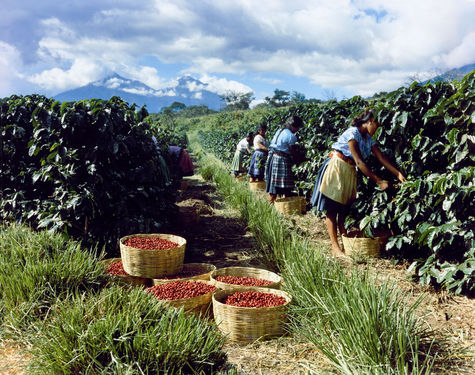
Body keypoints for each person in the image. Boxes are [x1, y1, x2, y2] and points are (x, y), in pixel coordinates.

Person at [310, 109, 407, 257]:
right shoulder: (353, 133)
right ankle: (335, 247)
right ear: (368, 121)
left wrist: (398, 173)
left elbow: (381, 157)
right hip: (337, 166)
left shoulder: (368, 138)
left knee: (343, 207)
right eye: (376, 124)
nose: (377, 129)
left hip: (348, 169)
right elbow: (359, 161)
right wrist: (379, 181)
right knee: (332, 208)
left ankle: (345, 240)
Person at [265, 115, 304, 203]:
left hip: (273, 157)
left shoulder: (280, 131)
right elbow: (292, 150)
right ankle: (281, 203)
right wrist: (299, 159)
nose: (297, 130)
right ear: (293, 126)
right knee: (283, 184)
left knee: (274, 184)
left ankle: (273, 203)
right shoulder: (291, 136)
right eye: (297, 127)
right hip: (281, 159)